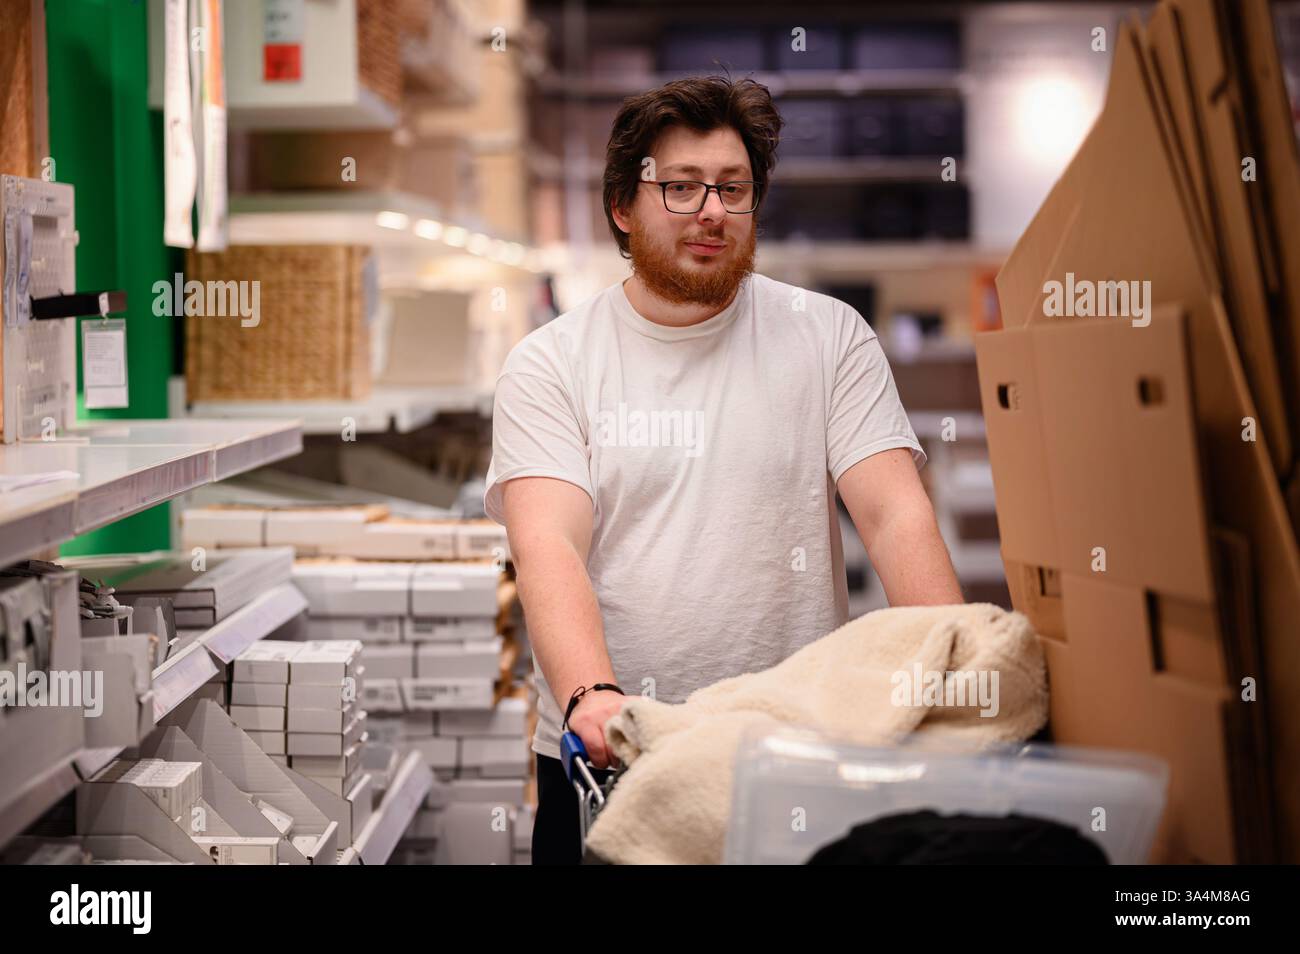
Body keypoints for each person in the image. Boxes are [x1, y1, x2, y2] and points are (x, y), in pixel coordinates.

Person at [484, 75, 963, 865]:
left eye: (732, 189)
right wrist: (591, 698)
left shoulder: (827, 337)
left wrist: (953, 665)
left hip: (796, 748)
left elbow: (893, 515)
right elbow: (550, 546)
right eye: (680, 186)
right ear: (622, 206)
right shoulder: (552, 364)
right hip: (617, 755)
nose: (711, 209)